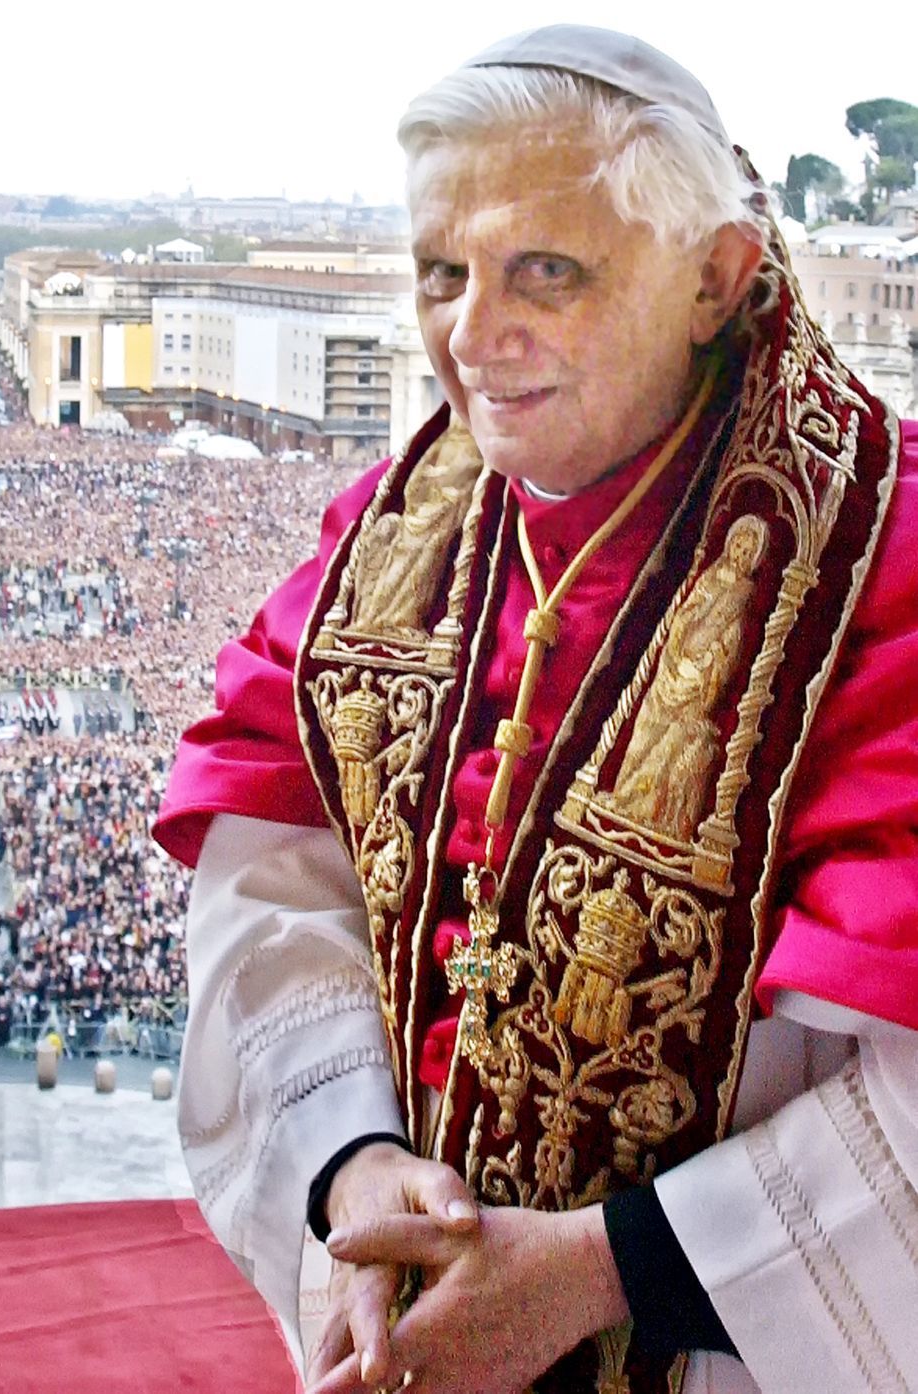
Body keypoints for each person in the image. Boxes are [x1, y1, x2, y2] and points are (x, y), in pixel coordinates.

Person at [154, 25, 918, 1394]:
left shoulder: (885, 560)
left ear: (716, 279)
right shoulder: (398, 530)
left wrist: (599, 1269)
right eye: (441, 272)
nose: (471, 333)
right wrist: (354, 1168)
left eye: (543, 273)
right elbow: (275, 855)